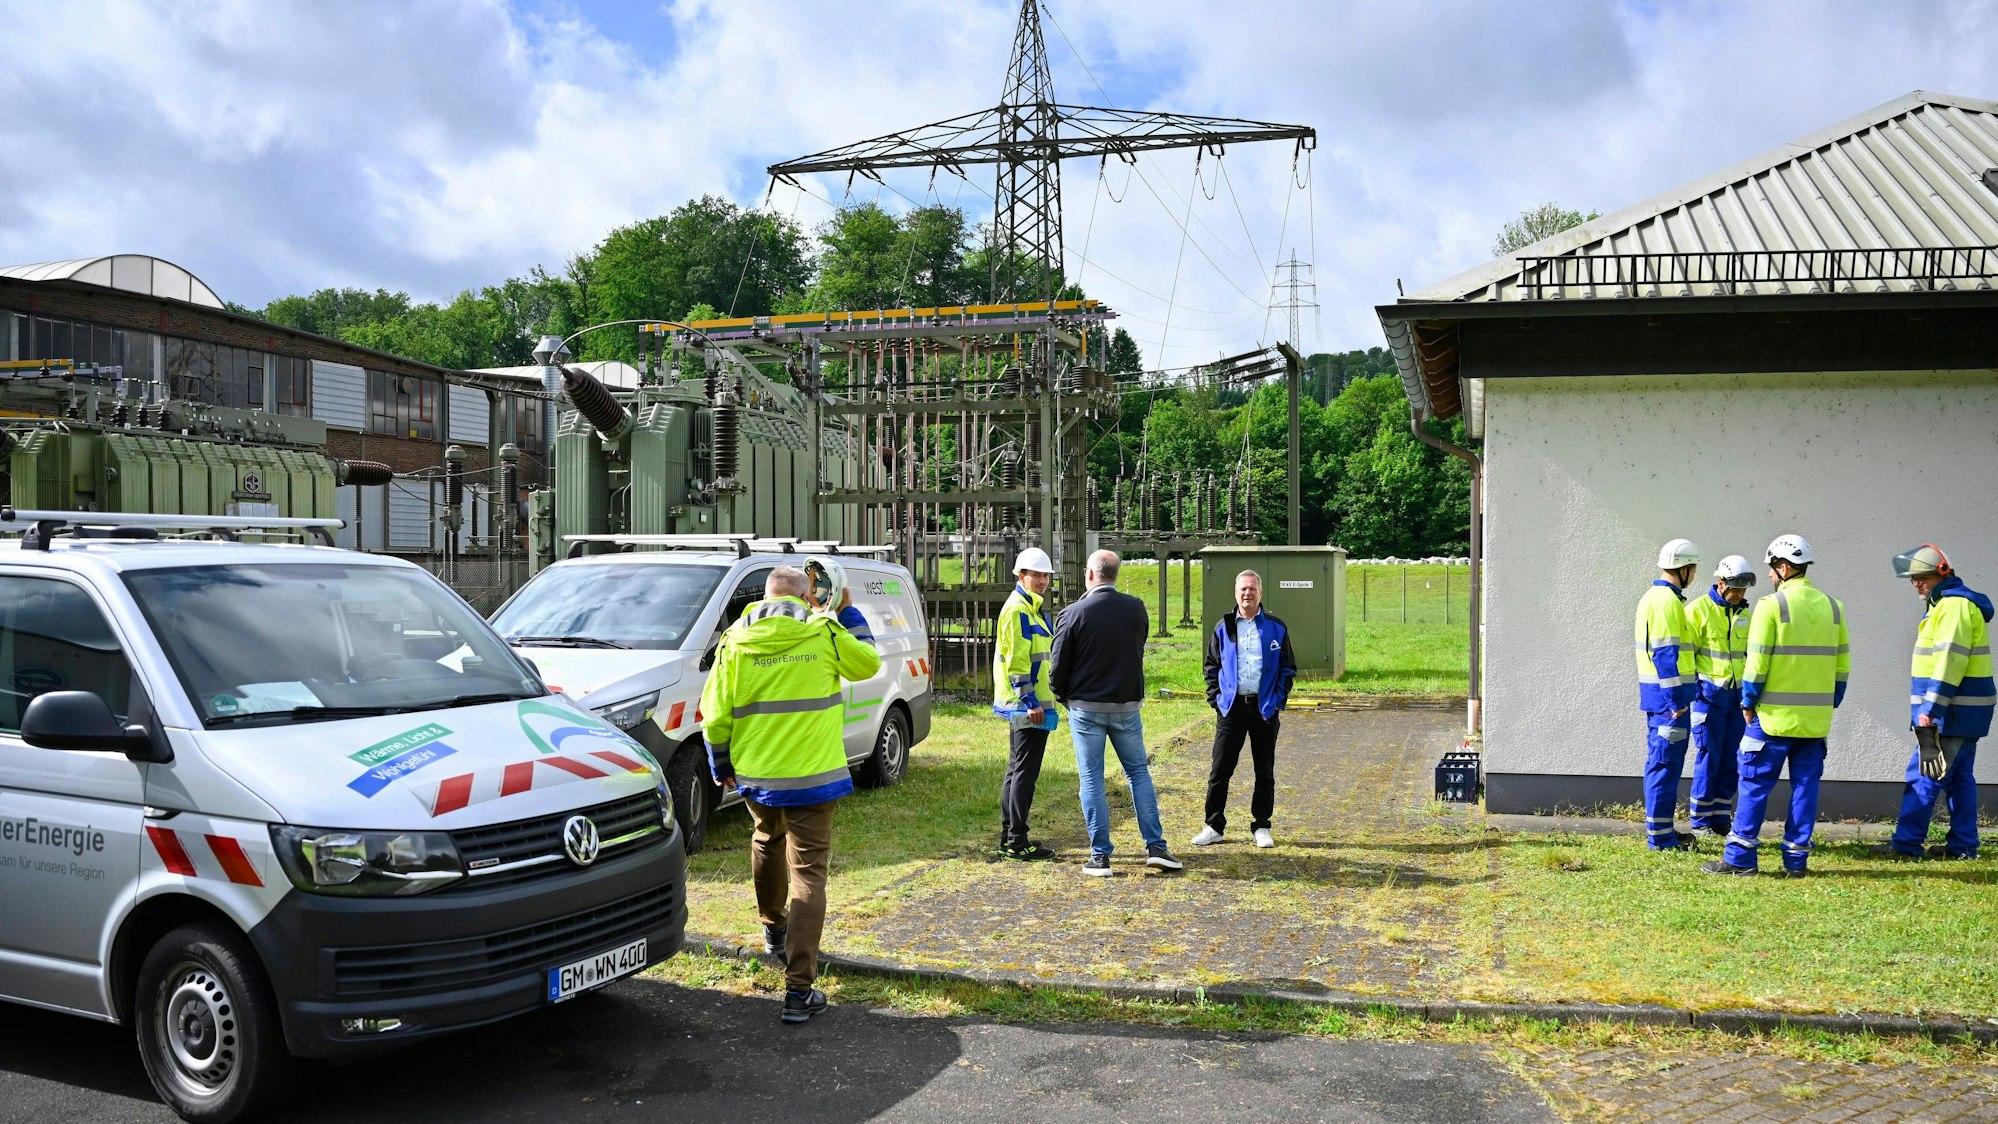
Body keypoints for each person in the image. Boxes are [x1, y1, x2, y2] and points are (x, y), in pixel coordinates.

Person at [700, 565, 881, 1022]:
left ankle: (773, 930)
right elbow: (868, 663)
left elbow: (714, 714)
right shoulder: (824, 631)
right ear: (807, 597)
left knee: (766, 839)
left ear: (765, 597)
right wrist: (847, 612)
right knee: (809, 874)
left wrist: (721, 764)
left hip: (758, 774)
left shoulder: (735, 640)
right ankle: (799, 990)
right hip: (813, 776)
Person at [1704, 534, 1849, 879]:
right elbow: (1842, 666)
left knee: (1754, 785)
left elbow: (1757, 663)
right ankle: (1796, 862)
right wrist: (1828, 703)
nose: (1769, 575)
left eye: (1771, 568)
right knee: (1805, 789)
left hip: (1772, 718)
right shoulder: (1834, 607)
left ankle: (1741, 859)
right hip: (1814, 721)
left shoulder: (1771, 606)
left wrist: (1748, 701)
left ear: (1784, 567)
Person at [1049, 549, 1183, 876]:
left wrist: (1065, 697)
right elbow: (1137, 648)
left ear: (1089, 574)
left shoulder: (1072, 614)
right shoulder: (1136, 609)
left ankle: (1100, 856)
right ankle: (1156, 847)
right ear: (1116, 574)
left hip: (1085, 707)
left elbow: (1057, 668)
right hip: (1126, 706)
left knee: (1092, 777)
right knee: (1138, 773)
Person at [1873, 544, 1990, 860]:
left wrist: (1931, 708)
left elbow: (1950, 660)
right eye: (1913, 578)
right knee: (1958, 777)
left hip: (1950, 711)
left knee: (1925, 774)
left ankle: (1906, 844)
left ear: (1942, 573)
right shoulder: (1949, 605)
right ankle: (1963, 846)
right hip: (1963, 710)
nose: (1916, 584)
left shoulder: (1953, 606)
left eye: (1922, 577)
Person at [1194, 569, 1297, 849]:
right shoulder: (1224, 626)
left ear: (1260, 593)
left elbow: (1287, 668)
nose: (1247, 593)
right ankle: (1213, 826)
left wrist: (1277, 701)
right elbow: (1211, 666)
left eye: (1252, 588)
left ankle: (1261, 826)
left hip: (1264, 710)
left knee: (1264, 771)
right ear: (1236, 593)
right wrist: (1216, 699)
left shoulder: (1276, 627)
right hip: (1231, 710)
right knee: (1220, 770)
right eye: (1243, 589)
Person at [1635, 538, 1701, 852]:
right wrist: (1677, 702)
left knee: (1663, 763)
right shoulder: (1666, 601)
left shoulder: (1656, 597)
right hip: (1669, 703)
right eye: (1693, 569)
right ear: (1684, 568)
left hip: (1663, 700)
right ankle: (1661, 838)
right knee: (1665, 765)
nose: (1694, 574)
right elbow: (1664, 654)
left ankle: (1662, 832)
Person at [993, 547, 1058, 861]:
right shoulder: (1019, 609)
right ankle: (1017, 841)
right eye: (1036, 575)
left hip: (1031, 705)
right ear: (1021, 576)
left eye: (1046, 575)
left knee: (1017, 769)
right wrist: (1030, 701)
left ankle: (1010, 838)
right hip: (1028, 707)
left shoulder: (1032, 608)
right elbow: (1017, 662)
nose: (1042, 580)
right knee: (1024, 773)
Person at [1684, 555, 1755, 836]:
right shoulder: (1698, 610)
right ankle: (1701, 820)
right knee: (1708, 756)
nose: (1739, 594)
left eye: (1743, 589)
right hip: (1708, 697)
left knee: (1731, 758)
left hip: (1737, 699)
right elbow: (1685, 655)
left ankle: (1721, 817)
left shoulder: (1745, 615)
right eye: (1735, 588)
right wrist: (1695, 691)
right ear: (1721, 582)